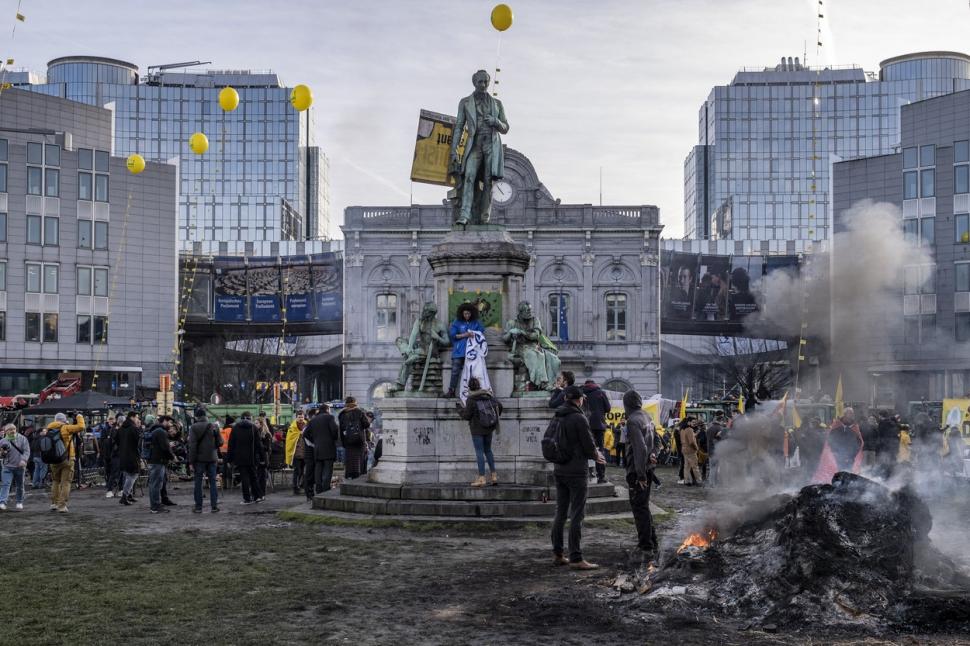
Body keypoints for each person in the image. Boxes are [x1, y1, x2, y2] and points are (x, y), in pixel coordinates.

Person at [551, 385, 605, 570]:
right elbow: (589, 444)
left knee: (560, 512)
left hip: (559, 469)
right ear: (580, 399)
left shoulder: (557, 415)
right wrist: (596, 455)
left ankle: (558, 554)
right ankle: (576, 557)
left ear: (565, 398)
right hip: (576, 470)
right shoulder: (579, 418)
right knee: (577, 514)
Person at [448, 69, 510, 226]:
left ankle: (484, 217)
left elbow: (505, 127)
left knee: (488, 182)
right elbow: (459, 127)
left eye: (486, 82)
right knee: (469, 177)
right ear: (474, 82)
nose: (484, 85)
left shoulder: (497, 104)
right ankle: (464, 215)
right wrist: (454, 150)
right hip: (474, 145)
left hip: (491, 144)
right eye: (480, 82)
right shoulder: (465, 102)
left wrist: (495, 121)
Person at [623, 390, 658, 560]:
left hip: (638, 471)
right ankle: (652, 541)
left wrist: (640, 475)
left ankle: (646, 546)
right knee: (644, 506)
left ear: (626, 404)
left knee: (639, 508)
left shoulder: (632, 420)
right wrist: (654, 454)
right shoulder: (646, 416)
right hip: (648, 467)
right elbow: (658, 441)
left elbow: (640, 448)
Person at [458, 377, 503, 487]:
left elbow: (467, 416)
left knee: (479, 452)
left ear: (469, 387)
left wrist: (459, 409)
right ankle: (494, 476)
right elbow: (500, 406)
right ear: (479, 385)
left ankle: (482, 478)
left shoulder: (471, 399)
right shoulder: (487, 395)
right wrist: (493, 419)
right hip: (489, 427)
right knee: (488, 451)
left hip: (477, 429)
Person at [47, 412, 86, 513]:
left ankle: (54, 503)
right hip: (67, 458)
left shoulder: (49, 428)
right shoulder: (66, 428)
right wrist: (79, 416)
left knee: (55, 481)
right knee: (66, 482)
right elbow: (81, 426)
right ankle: (62, 506)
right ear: (64, 420)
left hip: (54, 459)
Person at [447, 303, 486, 398]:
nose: (467, 316)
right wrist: (465, 335)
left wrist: (474, 333)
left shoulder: (476, 322)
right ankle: (451, 391)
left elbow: (481, 331)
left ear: (472, 313)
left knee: (473, 372)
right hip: (459, 351)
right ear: (461, 313)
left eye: (468, 313)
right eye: (465, 314)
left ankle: (475, 392)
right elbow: (452, 335)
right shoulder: (457, 322)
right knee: (455, 370)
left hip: (473, 352)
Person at [187, 407, 222, 513]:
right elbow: (220, 442)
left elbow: (192, 446)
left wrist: (191, 461)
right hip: (212, 458)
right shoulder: (214, 426)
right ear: (206, 416)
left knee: (198, 482)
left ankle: (198, 507)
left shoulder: (194, 427)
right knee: (212, 482)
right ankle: (214, 506)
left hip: (199, 459)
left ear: (197, 417)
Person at [228, 411, 263, 505]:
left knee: (244, 478)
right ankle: (257, 496)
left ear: (241, 417)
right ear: (249, 418)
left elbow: (231, 444)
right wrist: (262, 458)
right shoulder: (253, 428)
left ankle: (247, 498)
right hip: (252, 457)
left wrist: (229, 458)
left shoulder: (235, 428)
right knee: (254, 477)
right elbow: (259, 444)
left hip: (240, 458)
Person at [305, 404, 339, 496]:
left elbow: (305, 433)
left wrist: (315, 441)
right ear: (327, 409)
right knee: (328, 470)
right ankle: (325, 490)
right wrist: (333, 439)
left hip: (317, 449)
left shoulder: (313, 420)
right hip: (328, 448)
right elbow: (335, 431)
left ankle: (318, 489)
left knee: (318, 469)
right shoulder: (330, 417)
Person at [582, 380, 612, 484]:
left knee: (585, 449)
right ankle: (601, 476)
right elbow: (608, 408)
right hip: (599, 425)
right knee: (600, 450)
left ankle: (585, 475)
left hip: (585, 425)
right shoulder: (600, 392)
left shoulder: (582, 392)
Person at [338, 397, 370, 480]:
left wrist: (344, 442)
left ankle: (350, 475)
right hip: (359, 440)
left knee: (350, 459)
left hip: (348, 441)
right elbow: (366, 424)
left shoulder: (342, 414)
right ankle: (359, 476)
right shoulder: (359, 411)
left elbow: (341, 429)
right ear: (355, 402)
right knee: (360, 458)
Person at [0, 423, 30, 511]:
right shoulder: (3, 441)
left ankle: (19, 502)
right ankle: (2, 502)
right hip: (7, 466)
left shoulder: (22, 439)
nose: (12, 431)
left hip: (19, 467)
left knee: (20, 485)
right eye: (10, 429)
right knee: (6, 484)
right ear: (6, 432)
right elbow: (1, 455)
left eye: (14, 429)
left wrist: (24, 460)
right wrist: (2, 453)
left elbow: (27, 451)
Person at [116, 412, 142, 506]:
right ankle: (124, 496)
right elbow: (138, 442)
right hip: (132, 455)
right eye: (137, 417)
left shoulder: (121, 429)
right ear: (132, 417)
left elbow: (116, 441)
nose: (137, 419)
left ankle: (129, 495)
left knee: (127, 475)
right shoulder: (134, 429)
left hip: (123, 455)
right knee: (133, 475)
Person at [101, 414, 123, 498]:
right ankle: (109, 490)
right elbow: (110, 442)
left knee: (120, 473)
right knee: (113, 473)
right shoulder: (113, 429)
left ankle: (120, 489)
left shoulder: (114, 429)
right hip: (114, 454)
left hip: (116, 453)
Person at [286, 412, 308, 495]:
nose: (301, 418)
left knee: (303, 471)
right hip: (296, 454)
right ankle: (295, 487)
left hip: (305, 453)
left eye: (302, 417)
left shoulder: (307, 425)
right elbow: (289, 440)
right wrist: (299, 434)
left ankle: (301, 485)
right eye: (299, 417)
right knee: (297, 471)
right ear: (296, 418)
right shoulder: (292, 427)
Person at [679, 419, 702, 486]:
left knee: (686, 466)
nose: (694, 423)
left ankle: (687, 481)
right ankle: (699, 481)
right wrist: (696, 448)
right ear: (688, 422)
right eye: (692, 422)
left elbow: (686, 439)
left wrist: (695, 434)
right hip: (691, 450)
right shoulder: (689, 429)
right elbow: (691, 442)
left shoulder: (682, 429)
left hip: (684, 449)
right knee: (695, 466)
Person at [27, 423, 47, 489]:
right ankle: (41, 483)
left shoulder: (35, 438)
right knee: (43, 470)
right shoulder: (43, 438)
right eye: (44, 431)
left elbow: (31, 447)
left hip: (35, 456)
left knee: (36, 470)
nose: (46, 432)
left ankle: (34, 484)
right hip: (41, 456)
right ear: (40, 432)